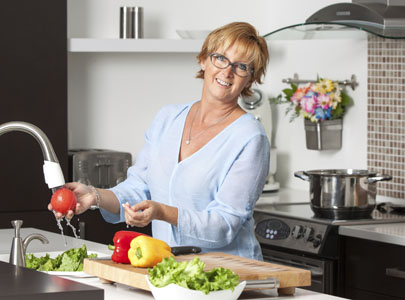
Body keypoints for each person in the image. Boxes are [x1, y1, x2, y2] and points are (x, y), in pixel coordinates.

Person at [49, 22, 270, 260]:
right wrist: (95, 196)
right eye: (220, 58)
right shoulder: (168, 118)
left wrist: (163, 212)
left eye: (241, 67)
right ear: (203, 60)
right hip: (169, 270)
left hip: (229, 275)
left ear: (249, 80)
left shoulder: (250, 137)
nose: (227, 71)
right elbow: (139, 187)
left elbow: (225, 224)